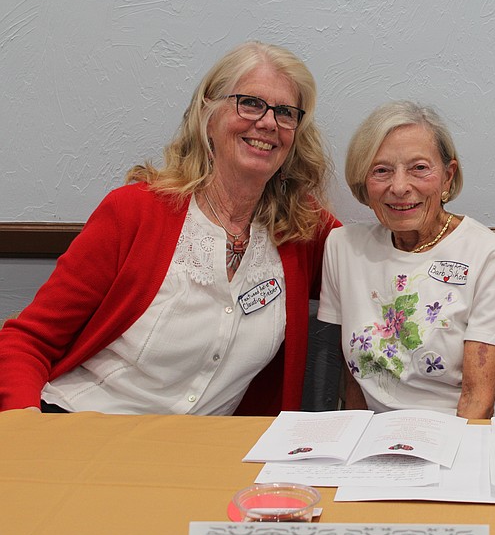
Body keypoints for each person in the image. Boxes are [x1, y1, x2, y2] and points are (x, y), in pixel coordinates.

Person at [0, 41, 338, 415]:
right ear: (209, 114)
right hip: (81, 432)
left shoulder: (301, 229)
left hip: (195, 458)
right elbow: (28, 340)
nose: (268, 122)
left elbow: (377, 266)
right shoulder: (134, 212)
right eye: (251, 103)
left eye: (285, 112)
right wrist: (25, 428)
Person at [318, 101, 495, 420]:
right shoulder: (344, 247)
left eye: (419, 168)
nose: (399, 187)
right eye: (381, 170)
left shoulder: (491, 256)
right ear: (363, 182)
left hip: (478, 428)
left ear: (447, 177)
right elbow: (356, 376)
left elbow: (478, 403)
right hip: (387, 438)